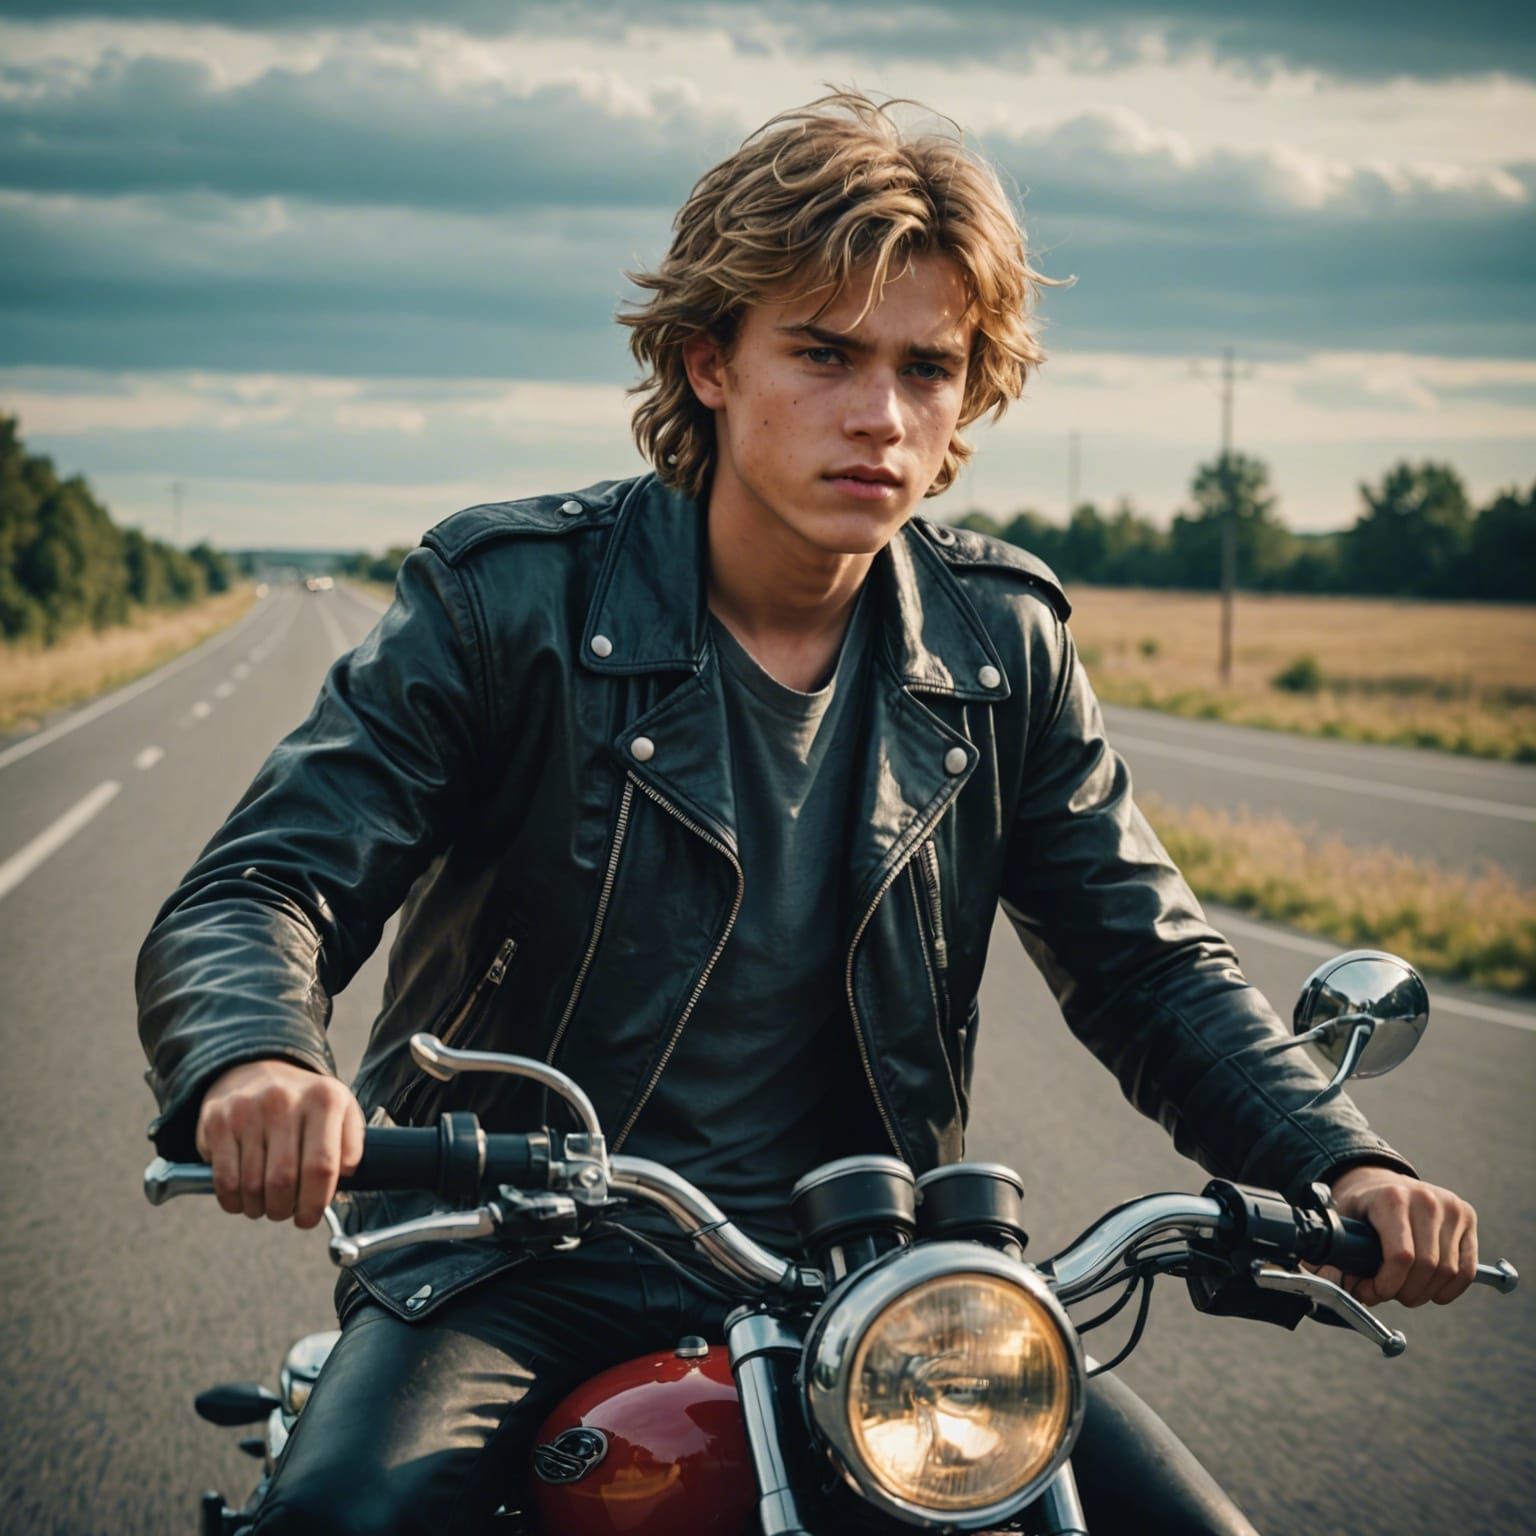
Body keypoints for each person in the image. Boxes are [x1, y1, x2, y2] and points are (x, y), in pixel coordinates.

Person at [137, 92, 1479, 1535]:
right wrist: (260, 1061)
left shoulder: (998, 642)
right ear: (708, 359)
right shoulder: (510, 602)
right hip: (519, 1253)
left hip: (881, 1269)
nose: (882, 415)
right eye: (827, 353)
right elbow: (266, 883)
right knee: (349, 1516)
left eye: (929, 367)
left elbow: (1148, 963)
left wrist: (1334, 1154)